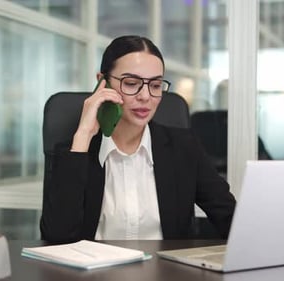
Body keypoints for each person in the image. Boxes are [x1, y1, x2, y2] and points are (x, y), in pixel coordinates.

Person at [40, 35, 236, 244]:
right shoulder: (75, 152)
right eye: (132, 83)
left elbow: (232, 221)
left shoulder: (184, 147)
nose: (145, 96)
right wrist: (83, 135)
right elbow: (56, 238)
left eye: (156, 85)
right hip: (95, 275)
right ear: (102, 82)